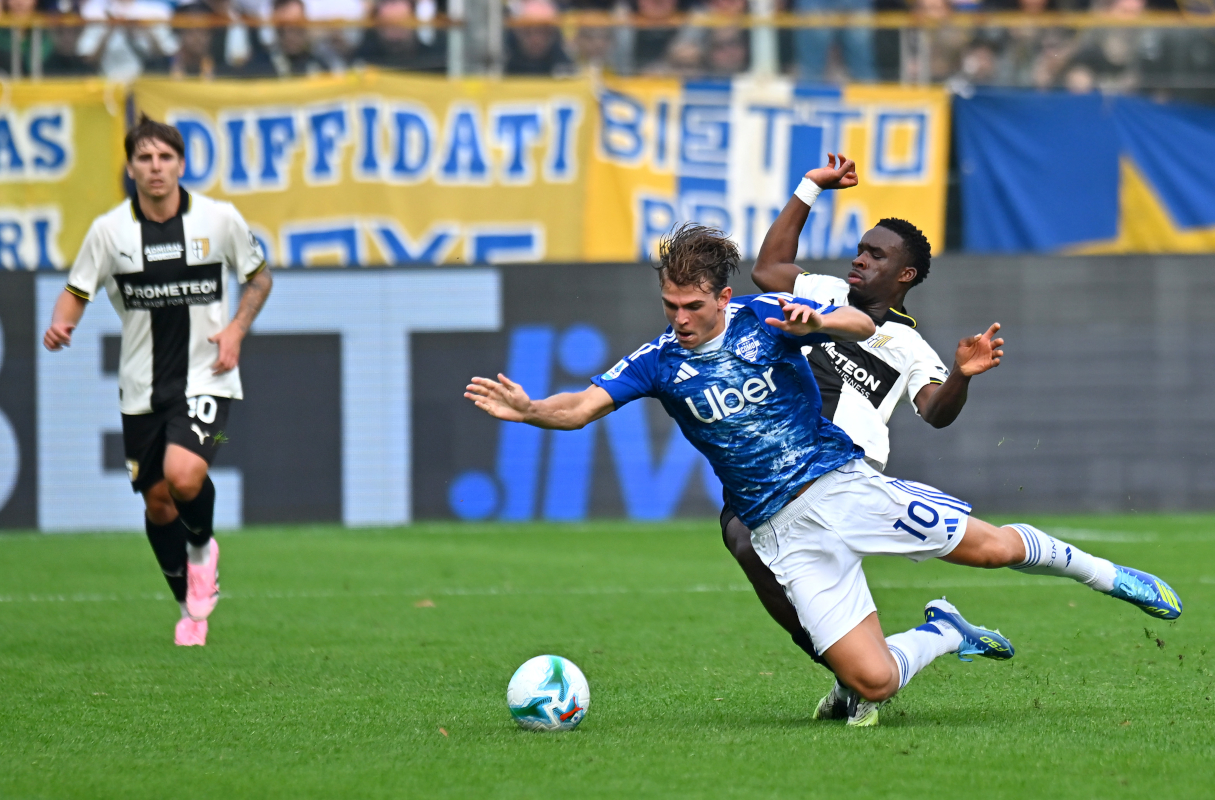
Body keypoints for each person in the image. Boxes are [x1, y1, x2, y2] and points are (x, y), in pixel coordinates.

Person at [465, 212, 1183, 728]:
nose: (678, 318)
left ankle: (1099, 572)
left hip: (843, 487)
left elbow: (867, 325)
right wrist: (531, 410)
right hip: (781, 532)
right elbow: (580, 406)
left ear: (720, 296)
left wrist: (816, 324)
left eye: (691, 305)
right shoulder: (658, 361)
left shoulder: (767, 316)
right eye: (669, 305)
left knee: (991, 549)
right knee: (872, 681)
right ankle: (944, 633)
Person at [722, 153, 1006, 664]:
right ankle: (903, 651)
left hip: (845, 474)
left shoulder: (910, 346)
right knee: (744, 544)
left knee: (748, 542)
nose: (860, 260)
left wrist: (962, 374)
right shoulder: (825, 293)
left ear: (905, 274)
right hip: (779, 457)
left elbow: (935, 412)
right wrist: (810, 186)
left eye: (876, 255)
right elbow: (767, 269)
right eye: (860, 250)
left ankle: (865, 668)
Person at [42, 116, 272, 647]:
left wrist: (236, 329)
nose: (156, 167)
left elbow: (258, 276)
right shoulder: (110, 231)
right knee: (159, 503)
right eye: (144, 159)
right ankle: (189, 610)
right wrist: (62, 323)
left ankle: (202, 550)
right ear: (131, 168)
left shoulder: (219, 219)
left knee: (184, 476)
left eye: (165, 157)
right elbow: (76, 291)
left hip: (208, 376)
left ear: (181, 164)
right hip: (141, 388)